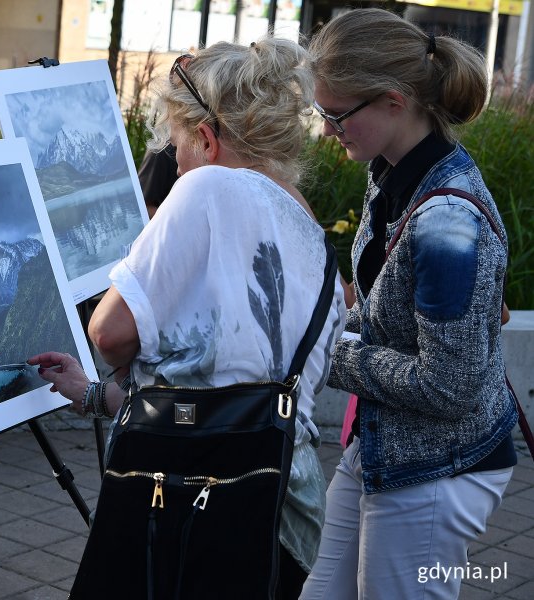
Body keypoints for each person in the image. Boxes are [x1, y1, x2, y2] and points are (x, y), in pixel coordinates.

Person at [29, 37, 345, 598]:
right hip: (282, 506)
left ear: (205, 138)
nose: (173, 163)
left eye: (176, 143)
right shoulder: (309, 228)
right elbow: (223, 401)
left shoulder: (205, 186)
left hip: (187, 502)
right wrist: (89, 394)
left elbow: (108, 334)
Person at [301, 9, 517, 599]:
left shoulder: (449, 222)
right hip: (387, 444)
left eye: (336, 115)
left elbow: (451, 386)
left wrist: (318, 352)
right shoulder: (390, 172)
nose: (326, 130)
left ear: (395, 101)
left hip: (437, 471)